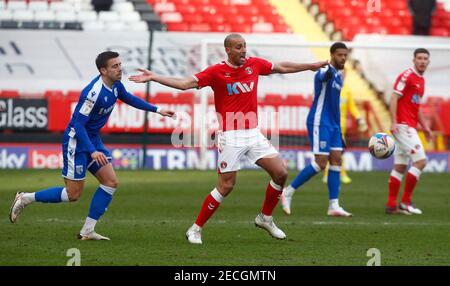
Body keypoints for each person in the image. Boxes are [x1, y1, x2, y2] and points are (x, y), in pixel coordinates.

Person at [129, 33, 327, 244]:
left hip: (253, 133)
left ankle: (265, 218)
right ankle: (195, 229)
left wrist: (310, 65)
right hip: (231, 136)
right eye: (239, 47)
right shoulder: (216, 72)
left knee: (280, 173)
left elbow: (282, 67)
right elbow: (185, 83)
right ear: (228, 50)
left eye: (244, 46)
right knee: (226, 186)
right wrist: (154, 77)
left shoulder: (254, 65)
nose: (243, 51)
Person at [9, 51, 175, 240]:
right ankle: (25, 198)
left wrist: (158, 110)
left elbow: (128, 98)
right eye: (115, 66)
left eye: (120, 64)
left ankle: (87, 231)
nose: (120, 69)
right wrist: (92, 151)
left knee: (110, 182)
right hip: (77, 142)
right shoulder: (92, 93)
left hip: (92, 139)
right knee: (73, 195)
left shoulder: (115, 85)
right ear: (103, 70)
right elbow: (79, 126)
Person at [281, 42, 352, 217]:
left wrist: (340, 132)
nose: (343, 58)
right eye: (339, 55)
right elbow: (323, 76)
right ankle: (288, 191)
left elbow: (335, 106)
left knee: (336, 160)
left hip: (334, 125)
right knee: (321, 163)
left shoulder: (339, 77)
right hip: (320, 122)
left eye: (345, 55)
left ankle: (333, 205)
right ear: (332, 55)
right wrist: (327, 69)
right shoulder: (325, 72)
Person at [385, 48, 431, 215]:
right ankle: (405, 202)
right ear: (414, 60)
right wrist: (394, 121)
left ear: (428, 62)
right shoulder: (407, 76)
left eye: (425, 58)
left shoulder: (421, 80)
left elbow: (416, 106)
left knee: (400, 166)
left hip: (409, 125)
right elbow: (393, 97)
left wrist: (425, 126)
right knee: (421, 161)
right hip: (403, 126)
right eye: (419, 58)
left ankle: (391, 205)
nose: (422, 61)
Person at [322, 74, 368, 184]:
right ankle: (329, 174)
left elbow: (352, 107)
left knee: (339, 150)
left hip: (341, 126)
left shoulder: (347, 90)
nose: (342, 74)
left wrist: (359, 118)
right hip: (328, 124)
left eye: (344, 72)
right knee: (331, 150)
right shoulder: (329, 87)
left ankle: (338, 174)